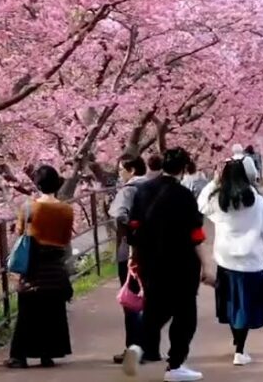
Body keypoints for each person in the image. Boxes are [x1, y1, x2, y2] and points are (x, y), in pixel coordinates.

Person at [122, 148, 214, 382]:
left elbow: (132, 226)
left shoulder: (143, 191)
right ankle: (175, 365)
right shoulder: (183, 195)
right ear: (183, 169)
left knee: (156, 310)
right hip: (181, 263)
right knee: (185, 315)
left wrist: (134, 256)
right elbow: (196, 235)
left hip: (150, 261)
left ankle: (137, 347)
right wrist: (207, 265)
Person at [198, 159, 263, 366]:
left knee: (232, 303)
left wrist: (213, 182)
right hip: (250, 260)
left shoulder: (218, 198)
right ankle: (240, 349)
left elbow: (200, 204)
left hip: (226, 259)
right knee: (245, 306)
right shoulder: (255, 199)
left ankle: (238, 342)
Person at [7, 165, 74, 368]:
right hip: (55, 266)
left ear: (37, 184)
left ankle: (20, 356)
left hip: (34, 264)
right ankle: (48, 354)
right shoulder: (67, 209)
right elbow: (65, 238)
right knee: (53, 310)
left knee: (28, 311)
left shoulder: (29, 207)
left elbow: (20, 233)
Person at [109, 154, 149, 365]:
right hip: (154, 252)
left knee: (131, 301)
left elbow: (118, 214)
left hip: (131, 252)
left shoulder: (128, 191)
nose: (120, 174)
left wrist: (133, 231)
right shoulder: (155, 187)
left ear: (132, 170)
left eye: (121, 170)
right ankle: (150, 348)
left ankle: (134, 349)